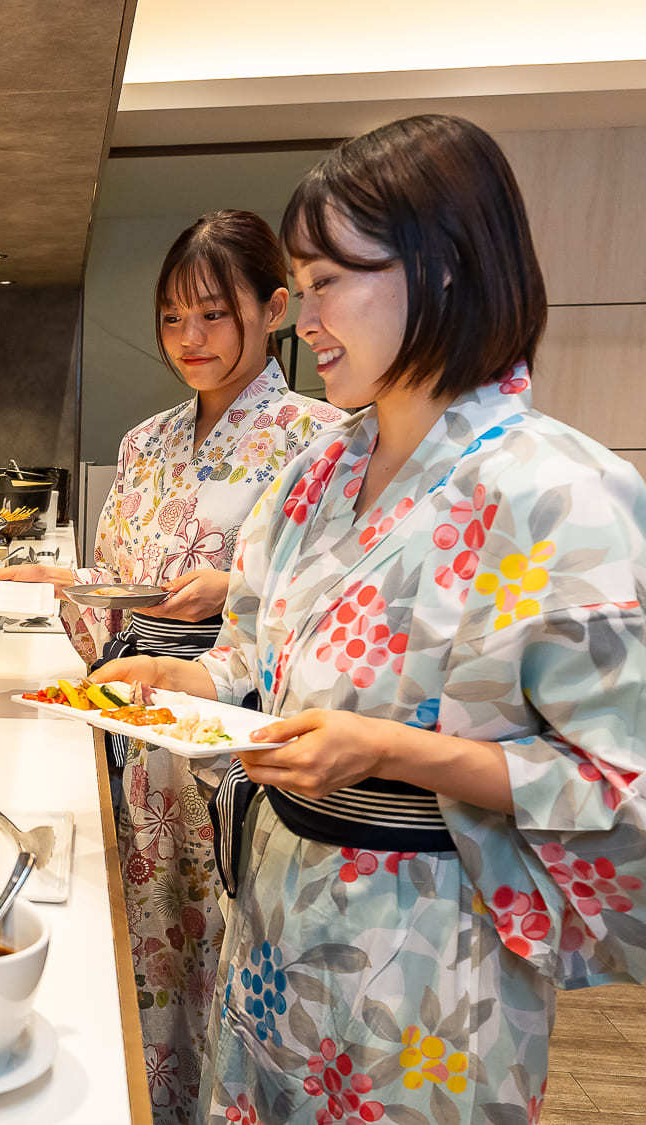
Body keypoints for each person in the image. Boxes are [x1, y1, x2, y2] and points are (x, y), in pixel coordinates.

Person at [95, 114, 646, 1123]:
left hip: (427, 965)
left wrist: (400, 753)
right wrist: (185, 683)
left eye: (325, 283)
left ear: (439, 269)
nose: (302, 318)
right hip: (266, 925)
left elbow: (622, 788)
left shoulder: (560, 493)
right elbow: (253, 656)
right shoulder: (316, 474)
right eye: (298, 289)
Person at [0, 211, 347, 1122]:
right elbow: (122, 585)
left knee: (224, 953)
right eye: (170, 319)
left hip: (230, 744)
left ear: (273, 310)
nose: (188, 341)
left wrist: (234, 583)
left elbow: (334, 601)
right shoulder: (146, 442)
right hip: (133, 723)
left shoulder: (324, 440)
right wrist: (61, 581)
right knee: (138, 946)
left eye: (212, 316)